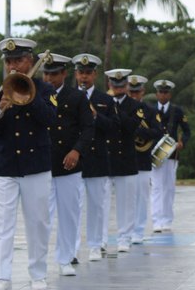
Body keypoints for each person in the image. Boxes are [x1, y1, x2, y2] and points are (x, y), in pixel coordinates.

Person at [0, 38, 57, 290]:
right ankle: (2, 277)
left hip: (36, 165)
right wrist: (0, 110)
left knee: (38, 222)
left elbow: (50, 118)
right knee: (3, 223)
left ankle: (38, 274)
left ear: (30, 60)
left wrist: (27, 97)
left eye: (18, 60)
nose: (13, 65)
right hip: (6, 165)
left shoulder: (44, 89)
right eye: (9, 61)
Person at [41, 53, 94, 277]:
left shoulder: (77, 97)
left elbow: (88, 128)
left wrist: (77, 150)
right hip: (41, 163)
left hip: (68, 163)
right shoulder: (35, 93)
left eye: (54, 74)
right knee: (42, 216)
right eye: (46, 74)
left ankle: (65, 258)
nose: (50, 79)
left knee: (69, 213)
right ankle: (39, 263)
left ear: (64, 74)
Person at [72, 54, 118, 262]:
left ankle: (95, 244)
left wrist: (96, 116)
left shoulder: (105, 100)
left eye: (88, 73)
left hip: (97, 158)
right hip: (74, 159)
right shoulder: (69, 97)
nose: (84, 77)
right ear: (75, 74)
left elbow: (113, 127)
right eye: (81, 73)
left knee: (97, 205)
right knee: (72, 207)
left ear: (95, 75)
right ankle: (71, 249)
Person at [104, 69, 141, 253]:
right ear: (109, 85)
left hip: (125, 159)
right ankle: (101, 240)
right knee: (101, 204)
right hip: (106, 158)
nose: (117, 89)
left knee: (126, 203)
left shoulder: (135, 105)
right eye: (114, 85)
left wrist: (116, 109)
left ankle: (124, 237)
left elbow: (131, 127)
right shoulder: (103, 102)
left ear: (126, 86)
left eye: (121, 86)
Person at [151, 80, 191, 232]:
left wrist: (183, 142)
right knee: (156, 187)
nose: (163, 95)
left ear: (170, 94)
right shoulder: (151, 109)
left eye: (165, 92)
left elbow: (187, 131)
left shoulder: (177, 111)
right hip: (155, 153)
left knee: (168, 188)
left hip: (172, 152)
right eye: (160, 92)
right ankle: (156, 221)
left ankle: (167, 219)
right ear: (156, 94)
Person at [127, 75, 163, 243]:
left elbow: (158, 132)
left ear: (142, 91)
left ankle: (138, 231)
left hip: (142, 158)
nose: (134, 95)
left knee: (141, 197)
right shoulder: (120, 107)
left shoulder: (150, 111)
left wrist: (138, 132)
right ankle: (126, 231)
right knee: (126, 198)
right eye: (131, 91)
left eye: (137, 91)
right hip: (124, 159)